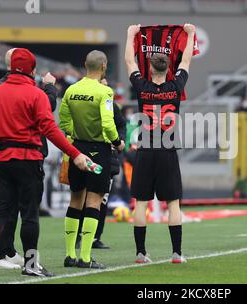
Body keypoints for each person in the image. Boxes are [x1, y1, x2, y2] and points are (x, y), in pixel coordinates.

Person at [0, 48, 90, 277]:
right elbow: (50, 129)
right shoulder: (36, 94)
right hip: (28, 159)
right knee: (29, 214)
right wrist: (75, 153)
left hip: (0, 158)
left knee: (1, 210)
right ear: (33, 69)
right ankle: (30, 264)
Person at [125, 23, 195, 264]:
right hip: (167, 152)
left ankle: (141, 254)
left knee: (141, 204)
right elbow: (186, 61)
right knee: (173, 203)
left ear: (150, 67)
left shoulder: (142, 88)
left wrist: (130, 35)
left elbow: (129, 62)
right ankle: (177, 253)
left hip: (145, 151)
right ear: (168, 69)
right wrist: (192, 34)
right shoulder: (175, 87)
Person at [0, 48, 60, 270]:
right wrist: (49, 88)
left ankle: (0, 253)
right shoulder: (18, 89)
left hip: (4, 155)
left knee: (8, 209)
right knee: (23, 211)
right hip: (21, 154)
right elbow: (45, 114)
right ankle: (5, 255)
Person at [59, 50, 124, 269]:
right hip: (99, 152)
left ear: (85, 65)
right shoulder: (104, 92)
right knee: (94, 201)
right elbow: (107, 123)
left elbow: (64, 123)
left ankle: (69, 255)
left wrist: (76, 139)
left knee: (75, 199)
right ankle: (85, 257)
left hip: (76, 150)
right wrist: (117, 143)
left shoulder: (71, 90)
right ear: (104, 66)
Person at [75, 79, 127, 250]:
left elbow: (121, 125)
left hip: (107, 157)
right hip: (86, 154)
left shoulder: (112, 105)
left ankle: (95, 237)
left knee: (101, 200)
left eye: (106, 83)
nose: (104, 85)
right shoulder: (84, 101)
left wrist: (119, 141)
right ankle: (77, 236)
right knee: (80, 198)